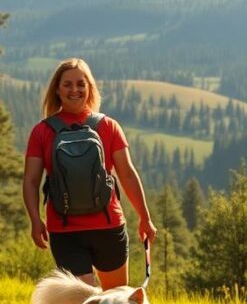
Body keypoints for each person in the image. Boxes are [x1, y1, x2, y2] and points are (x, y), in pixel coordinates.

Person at [23, 57, 157, 291]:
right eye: (67, 84)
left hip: (91, 229)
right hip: (81, 229)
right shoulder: (102, 126)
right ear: (57, 89)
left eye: (80, 84)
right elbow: (30, 180)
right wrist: (35, 220)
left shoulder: (46, 130)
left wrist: (145, 218)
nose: (74, 90)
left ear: (89, 88)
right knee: (97, 303)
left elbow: (128, 174)